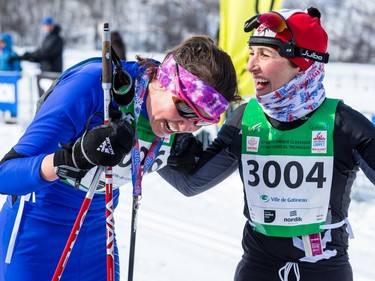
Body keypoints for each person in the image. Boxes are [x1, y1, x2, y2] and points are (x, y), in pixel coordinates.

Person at [158, 8, 375, 281]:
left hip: (324, 268)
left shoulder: (341, 123)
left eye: (265, 55)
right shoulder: (245, 120)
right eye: (251, 53)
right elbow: (192, 183)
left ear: (302, 64)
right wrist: (161, 145)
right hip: (258, 267)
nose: (251, 66)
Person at [0, 35, 239, 280]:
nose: (187, 125)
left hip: (99, 239)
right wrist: (73, 158)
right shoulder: (93, 85)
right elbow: (5, 175)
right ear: (164, 79)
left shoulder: (168, 119)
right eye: (186, 109)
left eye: (202, 121)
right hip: (36, 235)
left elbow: (189, 184)